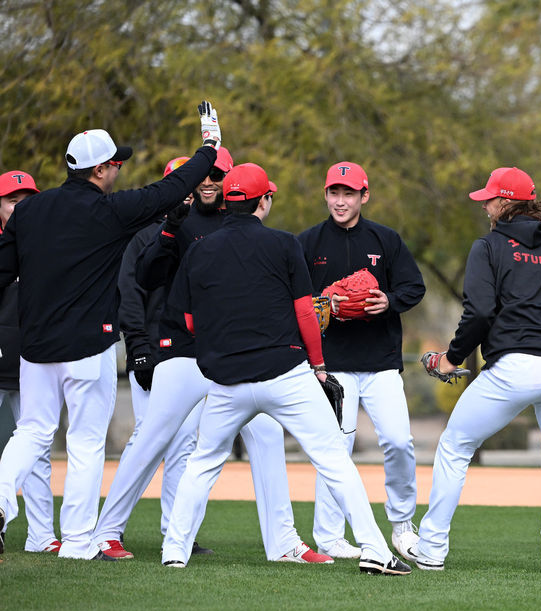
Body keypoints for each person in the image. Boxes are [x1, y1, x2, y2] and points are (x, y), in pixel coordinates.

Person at [159, 162, 409, 575]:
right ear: (264, 201)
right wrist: (320, 365)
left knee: (202, 463)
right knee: (333, 459)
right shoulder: (284, 244)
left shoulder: (200, 249)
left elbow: (186, 321)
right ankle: (376, 553)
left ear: (226, 200)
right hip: (284, 373)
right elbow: (305, 314)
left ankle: (174, 552)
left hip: (226, 379)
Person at [0, 106, 221, 559]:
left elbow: (2, 271)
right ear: (99, 169)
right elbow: (173, 188)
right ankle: (78, 542)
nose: (118, 170)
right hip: (87, 345)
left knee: (32, 432)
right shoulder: (111, 211)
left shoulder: (29, 211)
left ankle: (1, 499)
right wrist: (209, 148)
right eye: (115, 164)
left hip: (36, 345)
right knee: (84, 442)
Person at [95, 151, 313, 564]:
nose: (209, 181)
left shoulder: (245, 225)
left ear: (231, 181)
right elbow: (144, 278)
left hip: (239, 355)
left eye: (218, 174)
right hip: (184, 352)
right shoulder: (175, 221)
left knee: (265, 437)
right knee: (153, 436)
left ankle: (283, 543)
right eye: (204, 175)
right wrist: (168, 232)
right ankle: (106, 534)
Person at [410, 166, 541, 574]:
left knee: (455, 448)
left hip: (516, 367)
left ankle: (432, 548)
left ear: (507, 204)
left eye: (490, 199)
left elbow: (480, 312)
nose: (485, 205)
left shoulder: (489, 246)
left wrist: (451, 359)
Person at [297, 161, 425, 561]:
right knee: (336, 448)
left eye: (348, 193)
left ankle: (402, 525)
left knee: (400, 442)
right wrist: (320, 305)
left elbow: (413, 286)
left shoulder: (385, 239)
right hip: (331, 362)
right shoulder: (308, 242)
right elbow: (293, 297)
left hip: (381, 361)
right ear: (326, 195)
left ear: (363, 196)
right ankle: (330, 536)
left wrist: (389, 301)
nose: (340, 200)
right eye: (334, 192)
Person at [0, 170, 59, 554]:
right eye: (12, 200)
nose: (20, 206)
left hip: (31, 360)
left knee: (38, 450)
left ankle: (41, 536)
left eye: (27, 199)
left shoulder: (43, 244)